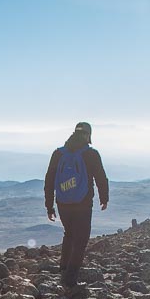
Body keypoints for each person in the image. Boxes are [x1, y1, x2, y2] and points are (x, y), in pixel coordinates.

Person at [44, 121, 109, 289]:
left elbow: (49, 180)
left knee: (69, 234)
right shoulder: (91, 154)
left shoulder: (58, 153)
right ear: (88, 135)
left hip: (62, 203)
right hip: (83, 203)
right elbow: (101, 177)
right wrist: (104, 197)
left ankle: (64, 269)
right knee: (81, 240)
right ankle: (71, 278)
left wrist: (49, 206)